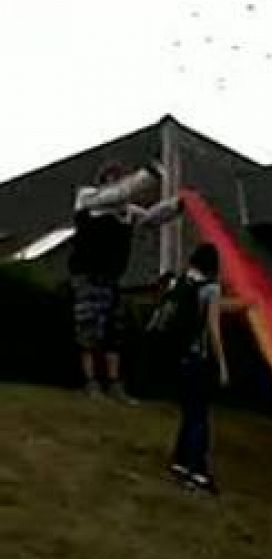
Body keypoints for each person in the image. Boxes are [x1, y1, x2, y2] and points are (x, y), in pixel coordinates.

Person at [69, 160, 184, 402]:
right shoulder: (88, 198)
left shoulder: (127, 212)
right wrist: (150, 174)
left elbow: (154, 217)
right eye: (113, 178)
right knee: (89, 330)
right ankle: (91, 384)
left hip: (113, 277)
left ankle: (114, 385)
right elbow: (119, 193)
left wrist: (179, 205)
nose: (119, 183)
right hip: (88, 275)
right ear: (104, 181)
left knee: (114, 333)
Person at [163, 244, 230, 494]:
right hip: (199, 360)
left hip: (180, 358)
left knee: (189, 413)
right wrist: (222, 364)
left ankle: (180, 462)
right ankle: (197, 471)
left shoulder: (184, 282)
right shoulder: (211, 289)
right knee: (200, 417)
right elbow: (213, 328)